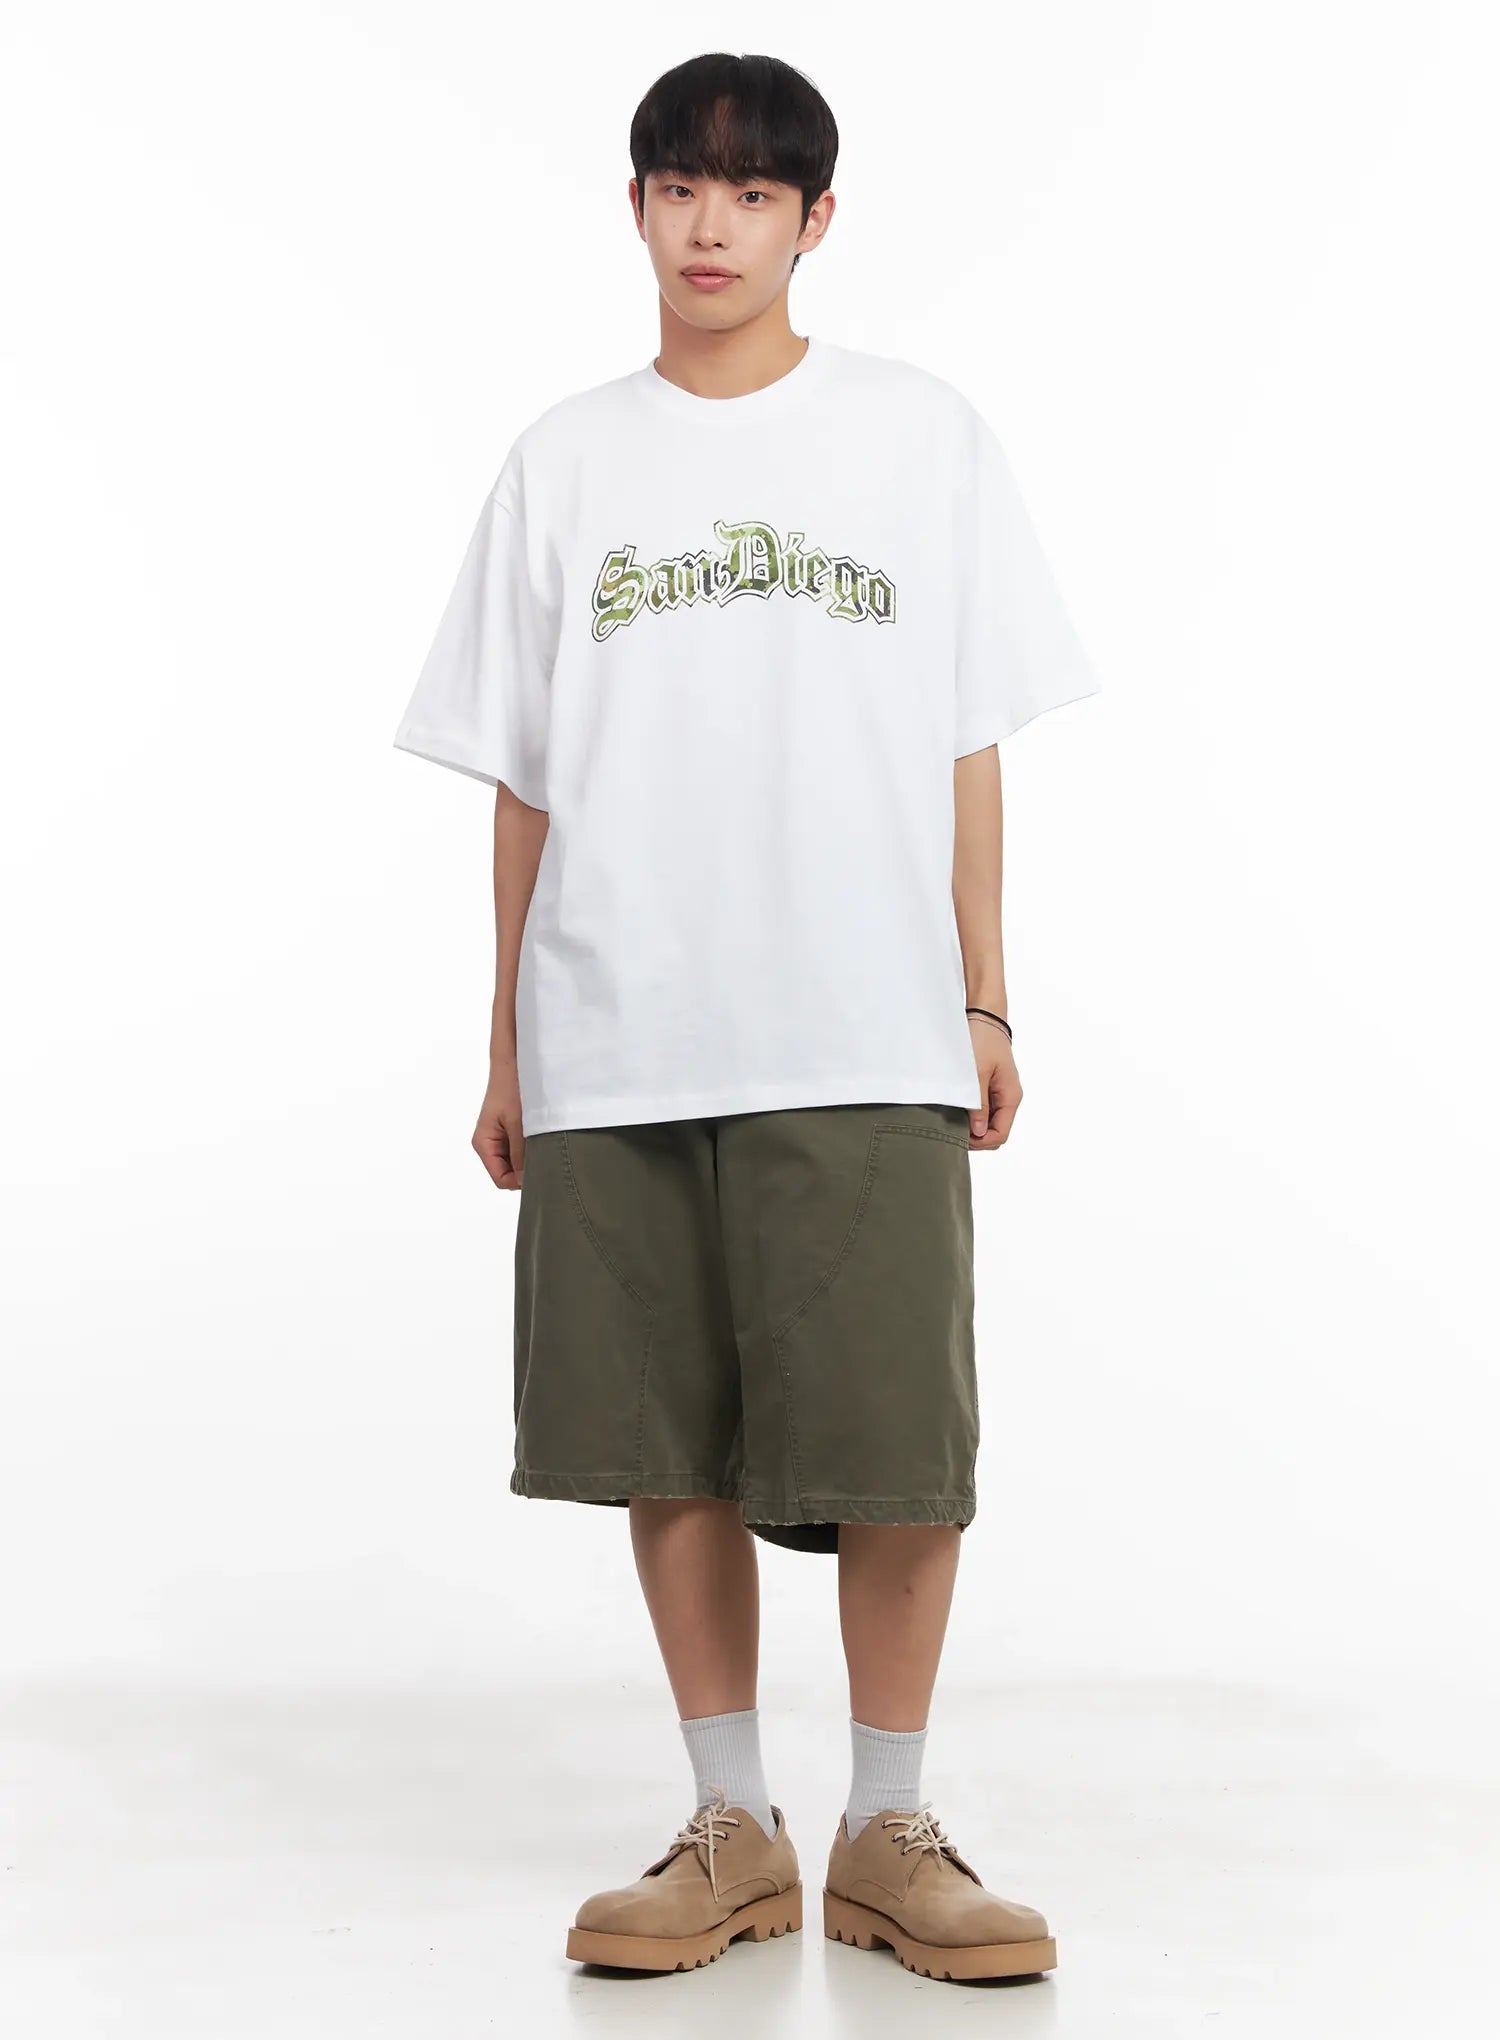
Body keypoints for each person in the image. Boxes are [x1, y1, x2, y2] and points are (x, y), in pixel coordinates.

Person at [393, 49, 1099, 1984]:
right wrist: (508, 1039)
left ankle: (891, 1829)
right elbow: (525, 775)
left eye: (754, 193)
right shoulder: (565, 462)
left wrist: (984, 991)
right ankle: (731, 1827)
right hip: (620, 1021)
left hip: (863, 1019)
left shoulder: (920, 439)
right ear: (635, 208)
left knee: (895, 1443)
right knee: (666, 1440)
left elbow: (966, 738)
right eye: (681, 189)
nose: (713, 227)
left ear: (815, 220)